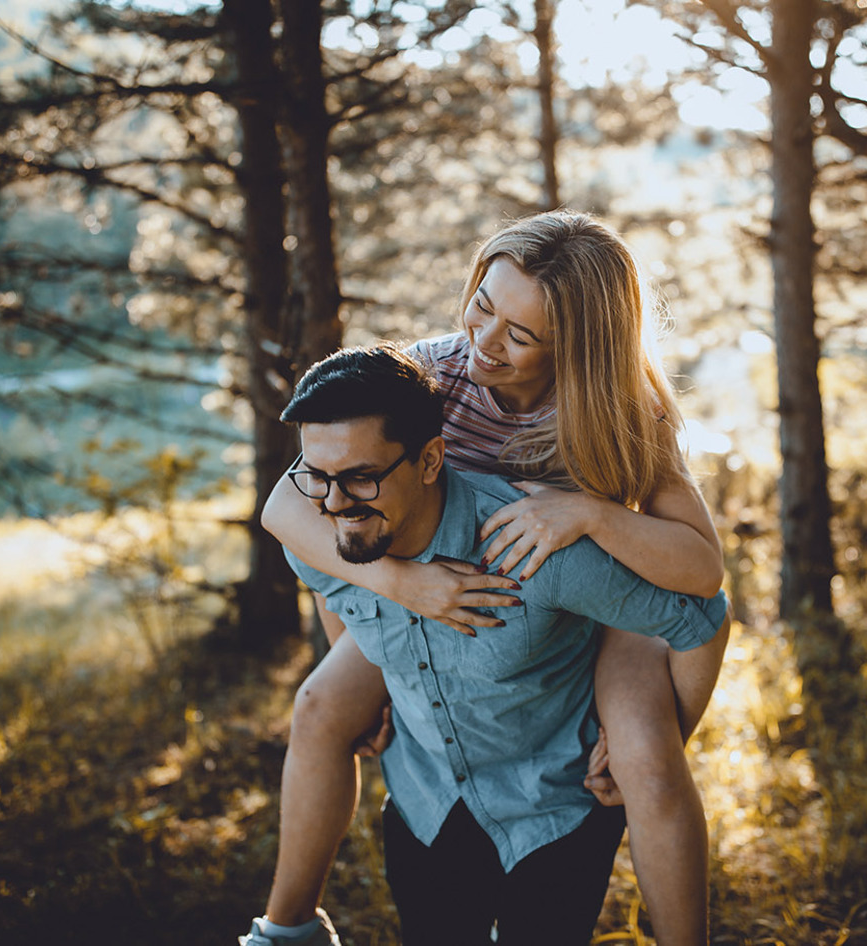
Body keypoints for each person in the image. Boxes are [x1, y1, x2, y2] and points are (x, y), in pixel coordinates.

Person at [248, 212, 729, 945]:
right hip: (442, 590)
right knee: (319, 706)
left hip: (596, 602)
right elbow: (290, 506)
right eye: (483, 303)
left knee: (646, 764)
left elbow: (701, 571)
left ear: (577, 345)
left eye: (520, 334)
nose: (485, 339)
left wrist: (591, 515)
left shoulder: (620, 410)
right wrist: (398, 592)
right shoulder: (435, 373)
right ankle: (288, 930)